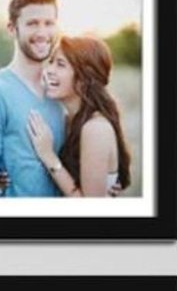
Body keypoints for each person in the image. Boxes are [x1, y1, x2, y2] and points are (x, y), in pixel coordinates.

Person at [0, 0, 67, 198]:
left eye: (49, 23)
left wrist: (107, 182)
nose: (42, 32)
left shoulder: (62, 91)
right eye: (32, 23)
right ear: (12, 29)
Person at [26, 36, 134, 198]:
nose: (48, 70)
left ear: (84, 78)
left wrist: (49, 157)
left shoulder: (96, 128)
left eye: (60, 64)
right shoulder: (67, 119)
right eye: (51, 61)